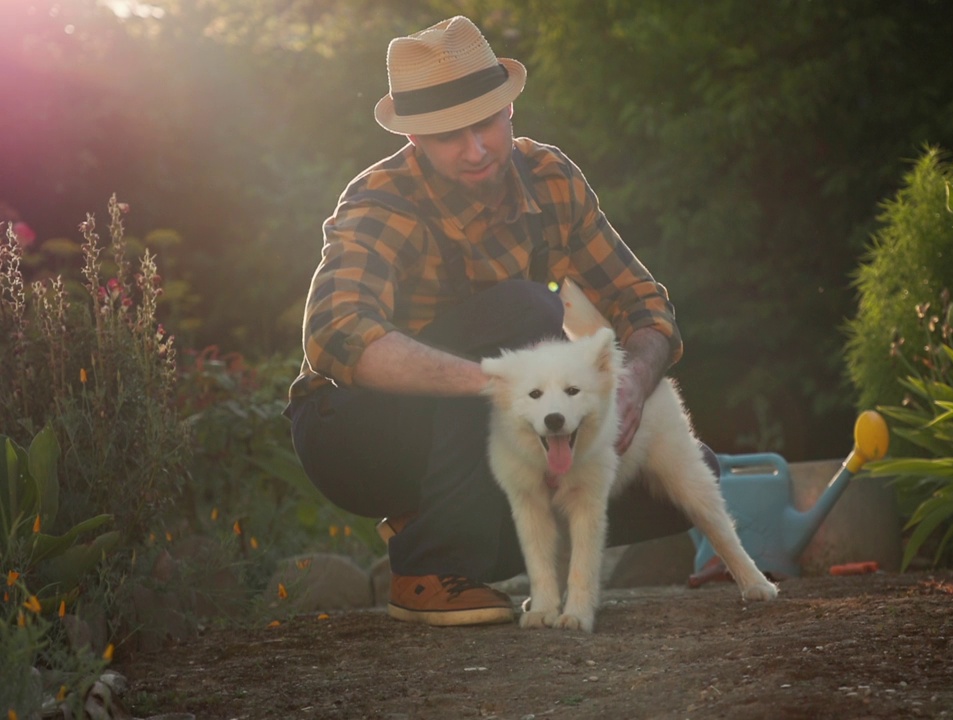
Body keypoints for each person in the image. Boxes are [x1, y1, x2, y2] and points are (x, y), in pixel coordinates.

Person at [286, 15, 715, 627]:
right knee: (527, 310)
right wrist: (493, 383)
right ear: (414, 141)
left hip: (481, 435)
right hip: (354, 432)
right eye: (447, 137)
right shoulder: (379, 200)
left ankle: (453, 535)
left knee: (688, 478)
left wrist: (633, 383)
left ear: (510, 110)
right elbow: (333, 331)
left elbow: (645, 306)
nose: (476, 150)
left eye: (485, 125)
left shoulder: (553, 179)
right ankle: (430, 564)